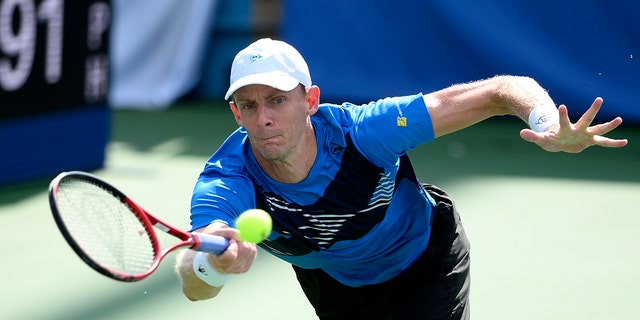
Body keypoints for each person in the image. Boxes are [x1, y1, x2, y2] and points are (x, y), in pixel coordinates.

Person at [175, 38, 627, 319]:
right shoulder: (226, 180)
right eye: (250, 106)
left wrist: (546, 122)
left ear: (310, 100)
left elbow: (498, 90)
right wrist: (214, 263)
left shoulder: (368, 132)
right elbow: (195, 286)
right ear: (236, 112)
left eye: (276, 100)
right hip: (336, 285)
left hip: (424, 261)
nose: (264, 118)